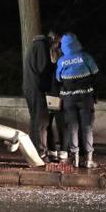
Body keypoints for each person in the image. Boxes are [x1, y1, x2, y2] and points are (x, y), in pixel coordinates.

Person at [56, 33, 99, 168]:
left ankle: (74, 159)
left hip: (69, 99)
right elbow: (96, 72)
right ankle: (89, 160)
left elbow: (58, 78)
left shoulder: (62, 60)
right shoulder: (85, 57)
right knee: (87, 128)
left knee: (72, 128)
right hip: (85, 98)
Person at [22, 32, 60, 160]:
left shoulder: (36, 45)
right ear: (53, 39)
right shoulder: (42, 46)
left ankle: (34, 150)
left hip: (30, 87)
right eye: (58, 44)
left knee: (35, 120)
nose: (57, 47)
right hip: (36, 88)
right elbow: (44, 69)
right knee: (42, 121)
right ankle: (40, 152)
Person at [46, 31, 68, 162]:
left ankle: (57, 149)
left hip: (56, 91)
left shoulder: (58, 55)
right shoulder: (60, 54)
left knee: (56, 122)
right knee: (57, 122)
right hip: (56, 91)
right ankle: (59, 150)